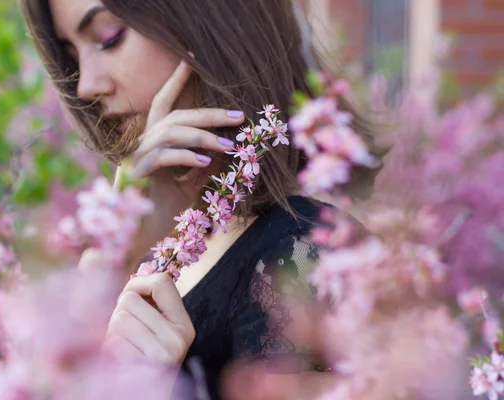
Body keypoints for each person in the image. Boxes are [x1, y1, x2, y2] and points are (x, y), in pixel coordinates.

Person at [20, 0, 383, 398]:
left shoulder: (300, 252)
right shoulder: (137, 253)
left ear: (203, 18)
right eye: (71, 55)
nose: (86, 86)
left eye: (109, 37)